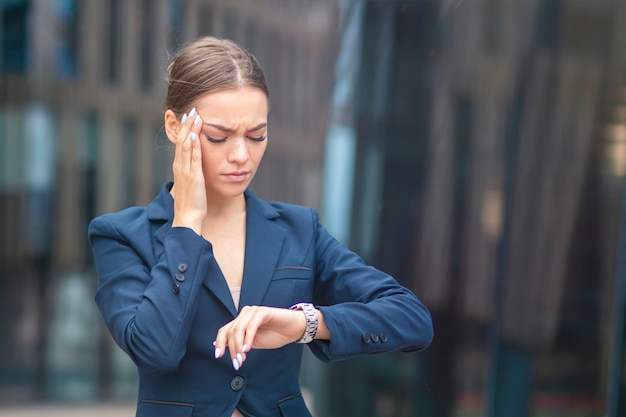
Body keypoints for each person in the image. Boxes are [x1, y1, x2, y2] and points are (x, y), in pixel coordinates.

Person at [88, 36, 433, 417]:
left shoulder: (298, 230)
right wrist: (186, 225)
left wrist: (305, 324)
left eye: (257, 136)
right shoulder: (121, 236)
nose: (241, 156)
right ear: (174, 126)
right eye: (218, 137)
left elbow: (411, 319)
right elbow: (155, 351)